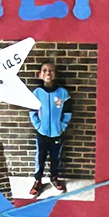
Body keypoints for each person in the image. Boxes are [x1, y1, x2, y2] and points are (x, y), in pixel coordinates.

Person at [29, 62, 71, 198]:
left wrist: (62, 126)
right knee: (40, 158)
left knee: (55, 157)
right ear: (40, 74)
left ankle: (54, 177)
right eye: (45, 70)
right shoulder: (36, 93)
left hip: (57, 133)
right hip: (42, 133)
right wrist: (38, 126)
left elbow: (68, 111)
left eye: (51, 70)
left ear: (55, 74)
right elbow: (32, 112)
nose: (48, 73)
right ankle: (38, 181)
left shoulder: (62, 93)